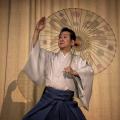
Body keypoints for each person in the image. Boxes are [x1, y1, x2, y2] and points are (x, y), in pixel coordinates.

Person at [22, 17, 94, 120]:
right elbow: (35, 50)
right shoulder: (50, 56)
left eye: (65, 37)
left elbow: (89, 71)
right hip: (48, 99)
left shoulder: (78, 61)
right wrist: (37, 30)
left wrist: (75, 72)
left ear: (72, 42)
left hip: (67, 101)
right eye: (60, 37)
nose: (61, 39)